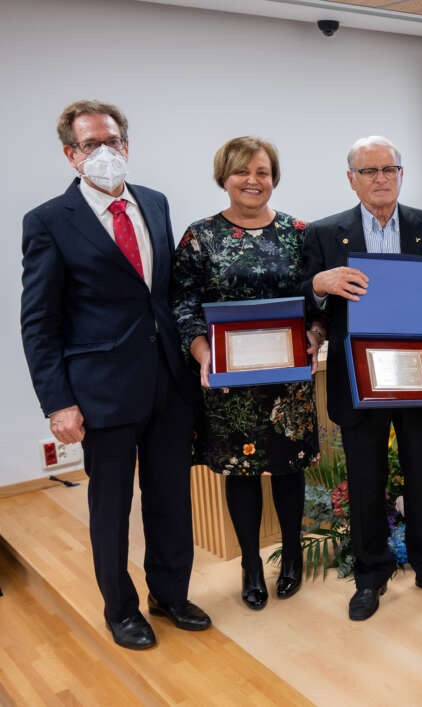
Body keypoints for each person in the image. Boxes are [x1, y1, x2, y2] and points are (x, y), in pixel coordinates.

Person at [20, 100, 210, 650]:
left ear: (127, 144)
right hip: (101, 390)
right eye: (90, 144)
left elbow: (165, 293)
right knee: (111, 507)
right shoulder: (49, 220)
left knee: (171, 498)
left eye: (112, 141)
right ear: (71, 154)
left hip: (168, 382)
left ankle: (170, 594)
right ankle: (120, 610)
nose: (104, 152)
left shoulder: (154, 201)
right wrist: (58, 402)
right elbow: (39, 321)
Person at [303, 135, 422, 621]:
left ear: (401, 174)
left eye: (389, 170)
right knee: (365, 480)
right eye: (369, 171)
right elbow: (305, 302)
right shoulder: (324, 234)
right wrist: (319, 285)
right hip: (357, 381)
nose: (381, 179)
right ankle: (370, 575)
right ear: (351, 179)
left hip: (420, 375)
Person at [170, 137, 321, 611]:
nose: (253, 181)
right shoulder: (200, 237)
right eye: (242, 172)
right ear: (224, 178)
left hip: (287, 379)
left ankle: (292, 555)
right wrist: (202, 353)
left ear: (274, 178)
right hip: (229, 383)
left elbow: (319, 300)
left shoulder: (300, 233)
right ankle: (251, 565)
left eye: (262, 172)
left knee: (290, 468)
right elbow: (182, 304)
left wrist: (316, 334)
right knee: (241, 472)